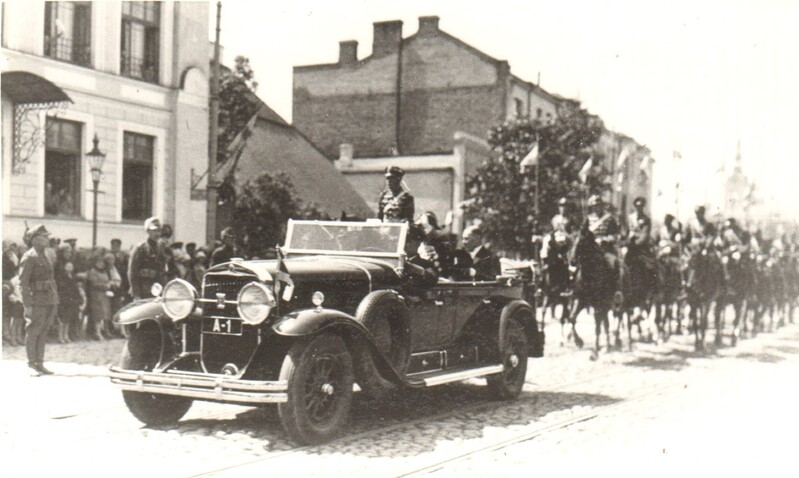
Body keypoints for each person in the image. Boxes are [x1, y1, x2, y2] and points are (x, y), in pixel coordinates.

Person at [18, 224, 59, 376]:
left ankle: (40, 363)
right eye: (44, 236)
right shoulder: (29, 257)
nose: (48, 238)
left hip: (49, 299)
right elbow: (23, 283)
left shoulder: (46, 255)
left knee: (43, 331)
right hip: (36, 300)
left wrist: (54, 299)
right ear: (35, 240)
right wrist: (27, 304)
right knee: (33, 330)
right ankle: (31, 364)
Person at [128, 217, 167, 301]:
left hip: (156, 290)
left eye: (159, 231)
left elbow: (162, 272)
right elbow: (132, 272)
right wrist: (136, 294)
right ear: (148, 231)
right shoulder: (140, 248)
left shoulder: (160, 249)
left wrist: (162, 292)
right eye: (154, 231)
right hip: (141, 289)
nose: (157, 234)